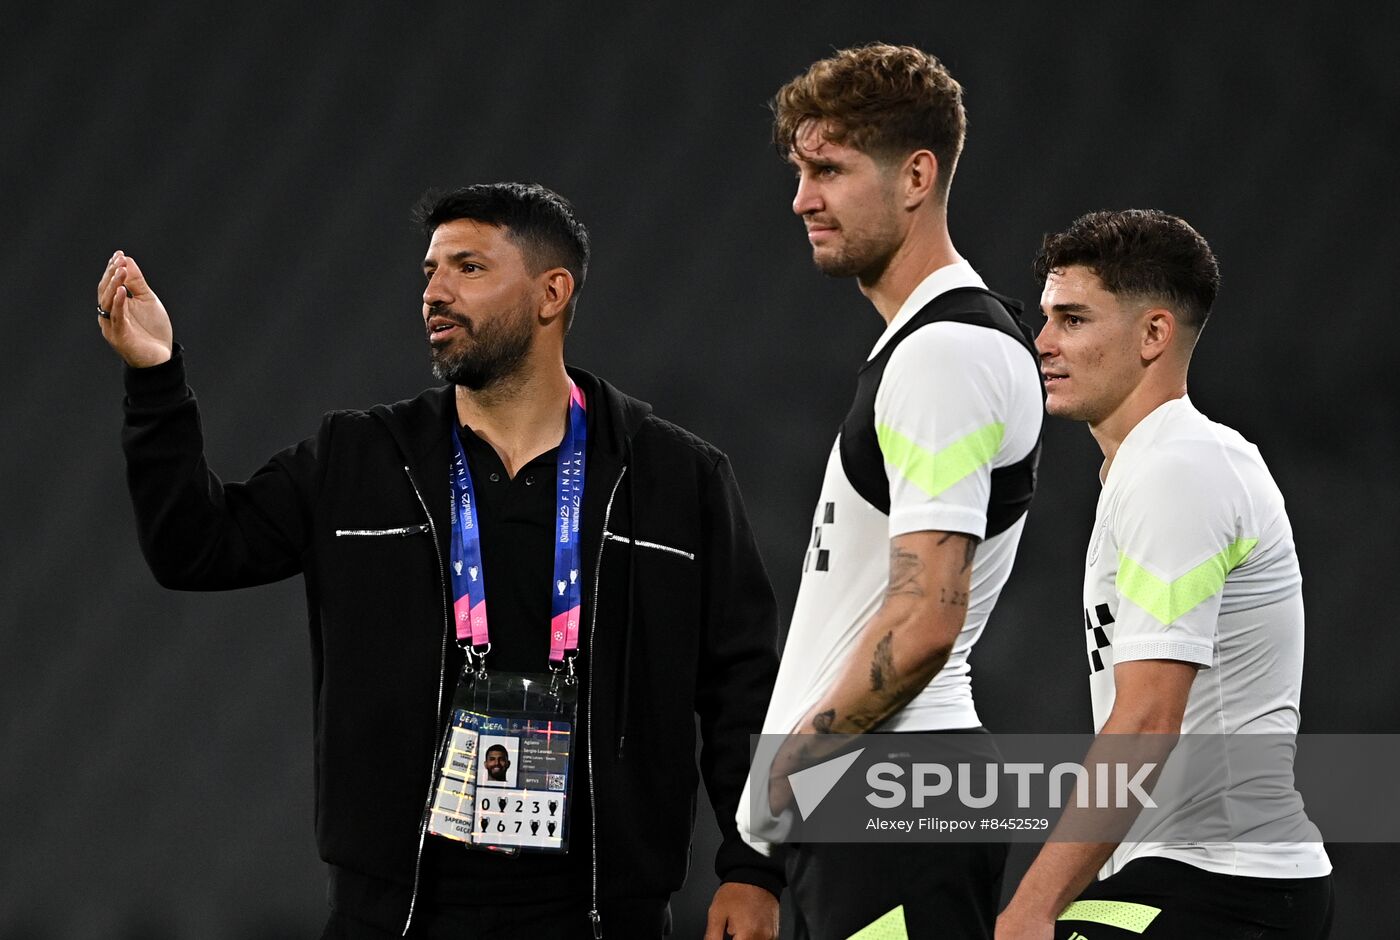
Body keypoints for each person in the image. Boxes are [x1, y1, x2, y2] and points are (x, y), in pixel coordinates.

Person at [97, 182, 783, 940]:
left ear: (552, 292)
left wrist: (756, 868)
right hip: (398, 917)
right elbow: (193, 548)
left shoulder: (674, 476)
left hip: (599, 916)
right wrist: (156, 377)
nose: (436, 293)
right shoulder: (357, 459)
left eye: (468, 268)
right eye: (429, 272)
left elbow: (744, 685)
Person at [737, 44, 1044, 939]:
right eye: (799, 170)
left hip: (892, 800)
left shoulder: (945, 354)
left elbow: (922, 627)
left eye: (828, 169)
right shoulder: (928, 346)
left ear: (917, 176)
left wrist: (780, 783)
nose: (802, 197)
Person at [996, 209, 1333, 939]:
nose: (1043, 343)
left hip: (1224, 884)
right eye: (1047, 317)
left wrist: (1031, 909)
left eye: (1074, 319)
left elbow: (1148, 720)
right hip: (1191, 878)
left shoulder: (1178, 470)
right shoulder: (1152, 466)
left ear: (1153, 335)